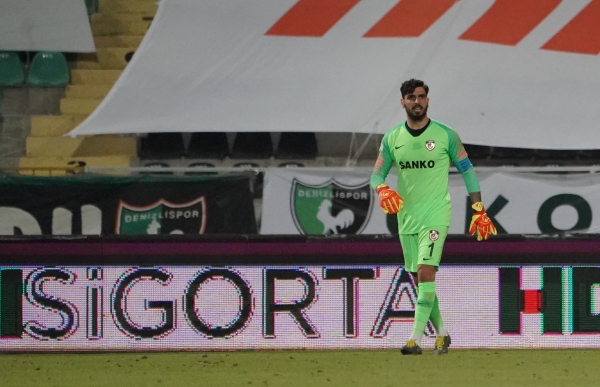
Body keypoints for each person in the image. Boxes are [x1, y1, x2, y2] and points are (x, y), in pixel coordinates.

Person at [370, 78, 497, 355]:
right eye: (411, 97)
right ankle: (442, 333)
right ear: (402, 102)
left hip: (436, 213)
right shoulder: (392, 138)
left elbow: (468, 170)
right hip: (407, 217)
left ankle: (414, 339)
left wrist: (478, 209)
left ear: (428, 100)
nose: (417, 101)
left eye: (422, 96)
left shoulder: (445, 135)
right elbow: (377, 174)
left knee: (426, 271)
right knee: (420, 278)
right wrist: (381, 189)